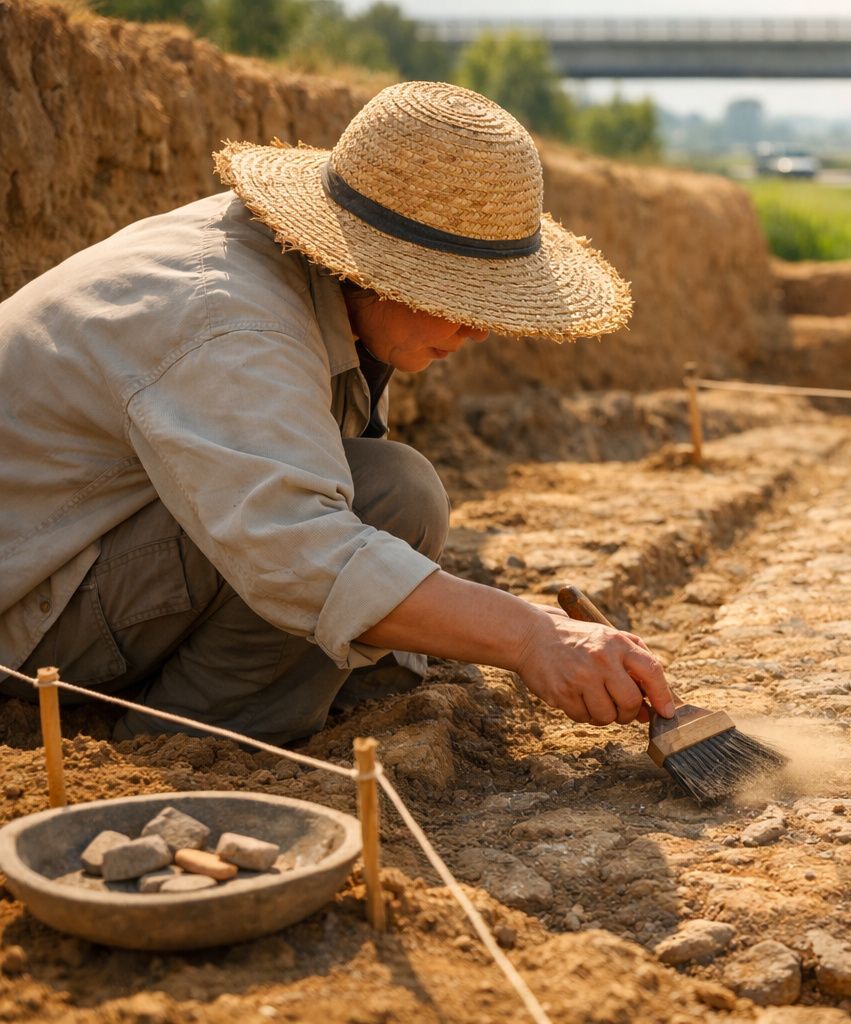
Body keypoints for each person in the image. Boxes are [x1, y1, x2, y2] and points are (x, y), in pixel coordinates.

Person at [0, 82, 678, 743]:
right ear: (375, 266)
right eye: (461, 296)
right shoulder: (233, 323)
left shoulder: (303, 279)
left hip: (81, 559)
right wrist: (532, 636)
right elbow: (300, 551)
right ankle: (196, 739)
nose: (480, 331)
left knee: (392, 492)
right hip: (25, 613)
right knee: (389, 501)